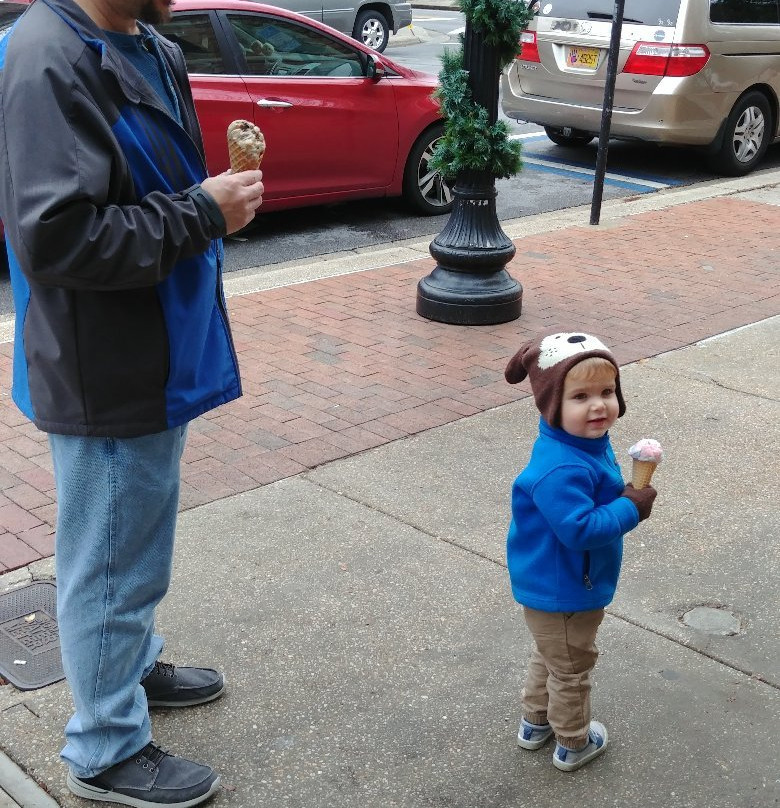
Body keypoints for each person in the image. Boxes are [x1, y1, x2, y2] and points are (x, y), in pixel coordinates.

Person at [0, 0, 264, 805]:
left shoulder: (145, 40)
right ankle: (105, 749)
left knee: (134, 538)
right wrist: (201, 213)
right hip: (104, 365)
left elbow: (152, 181)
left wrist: (212, 203)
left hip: (157, 348)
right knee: (108, 557)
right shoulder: (45, 58)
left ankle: (130, 665)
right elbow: (53, 237)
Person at [503, 332, 657, 772]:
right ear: (552, 404)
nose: (598, 406)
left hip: (559, 582)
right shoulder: (562, 466)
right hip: (567, 585)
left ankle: (535, 723)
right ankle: (573, 742)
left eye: (607, 392)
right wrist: (630, 507)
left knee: (551, 654)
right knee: (572, 666)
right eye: (581, 396)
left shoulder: (583, 444)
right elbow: (579, 529)